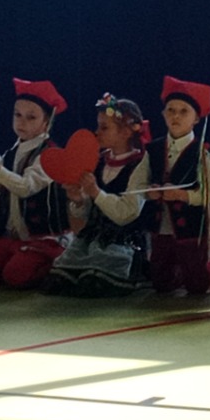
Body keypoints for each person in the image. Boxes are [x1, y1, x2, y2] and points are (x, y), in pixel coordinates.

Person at [0, 78, 70, 288]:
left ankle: (58, 264)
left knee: (16, 275)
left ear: (47, 122)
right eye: (17, 115)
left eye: (31, 117)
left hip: (44, 238)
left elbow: (25, 187)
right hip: (12, 238)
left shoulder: (51, 155)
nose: (22, 122)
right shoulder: (9, 154)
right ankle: (16, 261)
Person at [44, 94, 152, 297]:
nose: (97, 132)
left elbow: (127, 213)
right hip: (92, 238)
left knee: (96, 281)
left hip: (123, 240)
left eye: (104, 128)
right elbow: (87, 212)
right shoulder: (98, 160)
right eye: (98, 126)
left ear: (126, 132)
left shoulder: (139, 164)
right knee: (61, 280)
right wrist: (79, 201)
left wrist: (96, 192)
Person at [143, 76, 210, 296]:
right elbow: (137, 184)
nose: (176, 116)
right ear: (163, 114)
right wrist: (149, 192)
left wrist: (183, 195)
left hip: (190, 229)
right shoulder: (152, 150)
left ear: (196, 119)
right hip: (161, 227)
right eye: (171, 110)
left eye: (183, 111)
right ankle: (178, 268)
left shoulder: (201, 153)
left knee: (197, 286)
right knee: (160, 284)